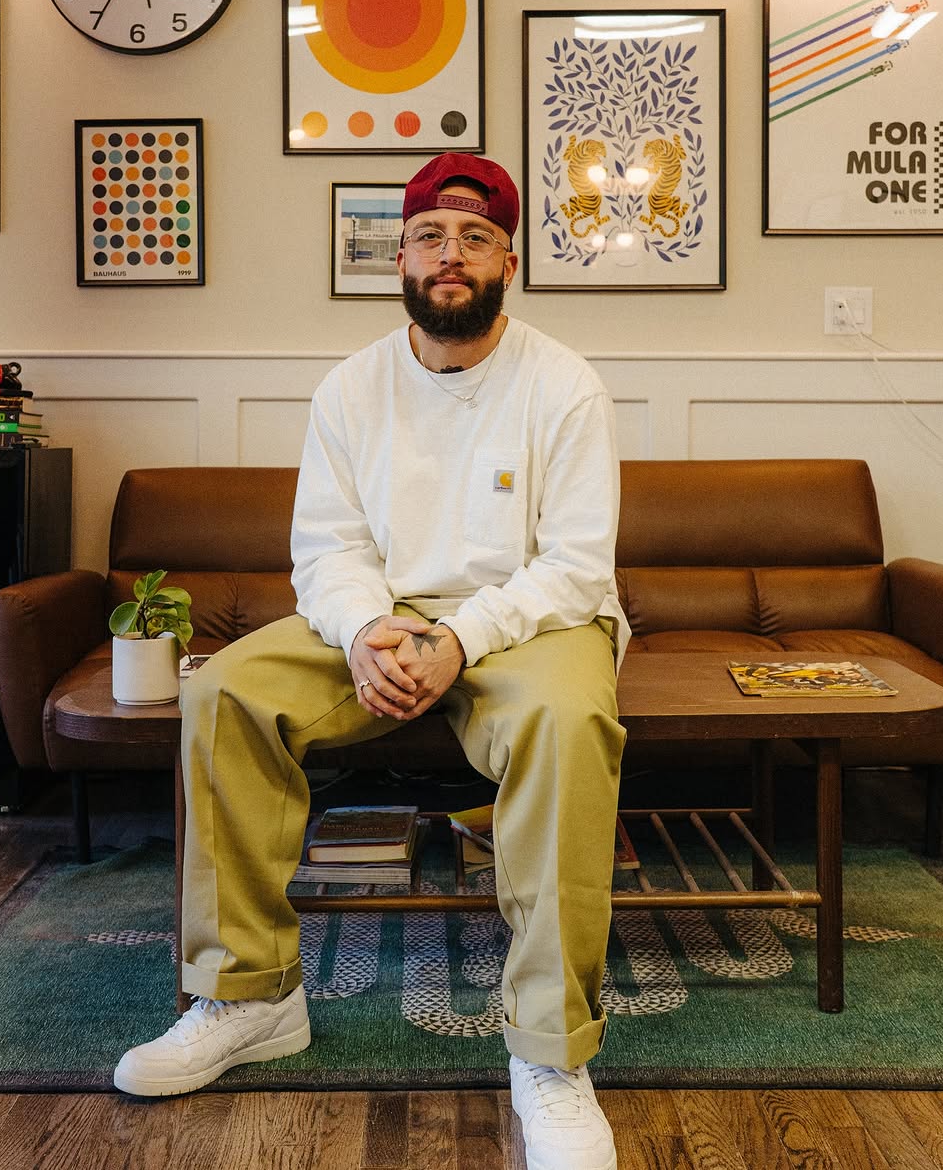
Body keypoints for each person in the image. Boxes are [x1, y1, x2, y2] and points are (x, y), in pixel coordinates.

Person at [114, 152, 630, 1170]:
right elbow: (327, 550)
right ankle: (250, 997)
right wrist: (361, 632)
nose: (451, 254)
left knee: (569, 723)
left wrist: (458, 640)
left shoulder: (565, 384)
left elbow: (574, 567)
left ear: (510, 263)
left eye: (475, 237)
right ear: (400, 258)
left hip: (530, 623)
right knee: (224, 692)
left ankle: (549, 1053)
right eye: (430, 236)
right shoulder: (351, 387)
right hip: (382, 619)